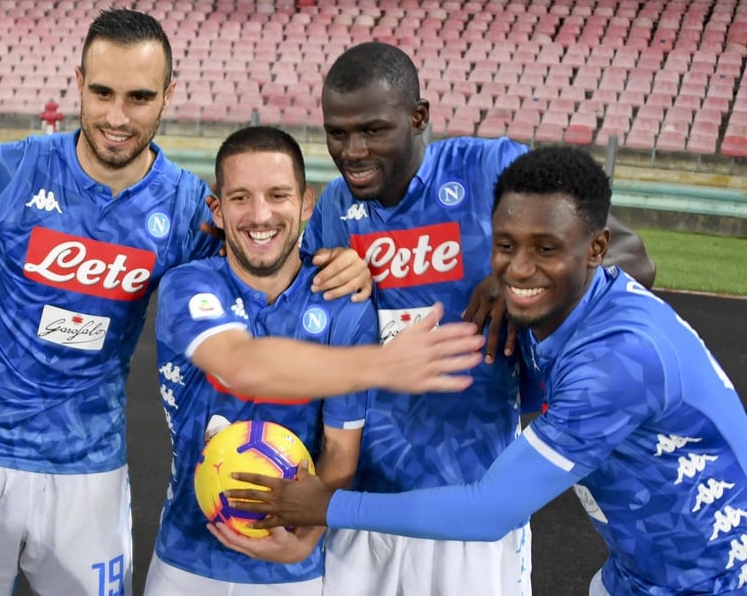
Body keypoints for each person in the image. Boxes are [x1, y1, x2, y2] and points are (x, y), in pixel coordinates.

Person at [0, 12, 483, 596]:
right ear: (78, 81)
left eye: (138, 97)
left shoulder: (187, 207)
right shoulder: (11, 169)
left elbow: (268, 242)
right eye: (102, 92)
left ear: (168, 95)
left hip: (90, 465)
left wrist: (344, 259)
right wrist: (1, 256)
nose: (116, 116)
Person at [220, 145, 747, 596]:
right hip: (635, 573)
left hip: (711, 582)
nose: (518, 269)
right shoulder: (572, 309)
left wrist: (328, 506)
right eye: (505, 247)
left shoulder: (614, 362)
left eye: (545, 249)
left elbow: (489, 510)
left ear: (596, 250)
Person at [257, 42, 655, 596]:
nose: (352, 151)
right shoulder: (333, 212)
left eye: (372, 130)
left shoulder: (492, 170)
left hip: (469, 504)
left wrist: (519, 276)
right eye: (337, 133)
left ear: (418, 118)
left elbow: (633, 253)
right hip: (362, 503)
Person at [147, 126, 467, 595]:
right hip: (186, 559)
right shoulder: (188, 285)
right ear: (216, 208)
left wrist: (306, 539)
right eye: (240, 198)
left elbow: (339, 450)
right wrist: (381, 365)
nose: (260, 215)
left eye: (278, 195)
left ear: (306, 203)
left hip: (295, 573)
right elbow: (240, 364)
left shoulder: (344, 302)